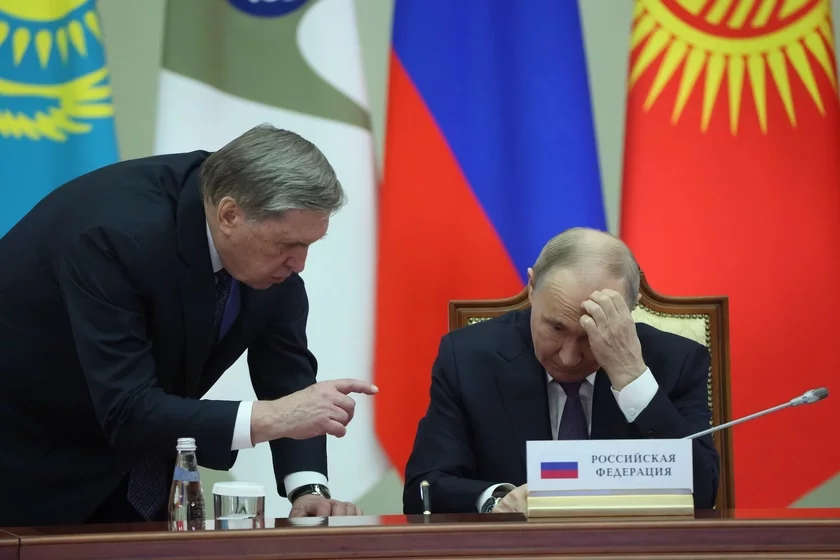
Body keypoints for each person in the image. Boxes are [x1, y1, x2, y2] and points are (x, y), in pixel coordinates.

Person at [0, 124, 376, 527]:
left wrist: (308, 488)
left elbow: (286, 375)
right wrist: (271, 418)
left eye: (309, 245)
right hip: (28, 469)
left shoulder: (262, 255)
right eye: (288, 245)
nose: (300, 264)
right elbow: (128, 409)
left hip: (143, 471)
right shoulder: (113, 236)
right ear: (229, 215)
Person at [403, 227, 719, 514]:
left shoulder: (675, 362)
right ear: (531, 288)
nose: (568, 358)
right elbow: (422, 490)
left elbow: (702, 495)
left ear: (629, 309)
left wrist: (631, 377)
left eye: (591, 334)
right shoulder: (469, 358)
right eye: (556, 328)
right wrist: (494, 500)